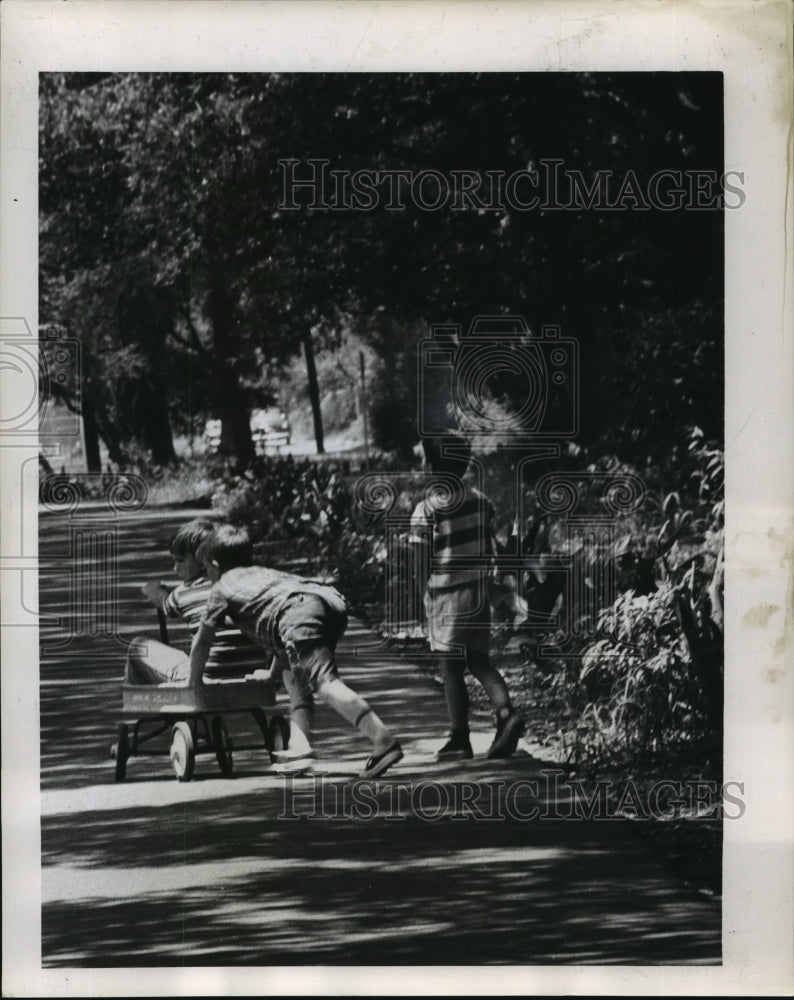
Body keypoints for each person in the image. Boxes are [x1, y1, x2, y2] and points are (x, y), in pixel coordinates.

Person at [188, 524, 404, 779]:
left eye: (207, 569)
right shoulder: (264, 574)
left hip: (299, 610)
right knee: (294, 675)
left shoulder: (221, 587)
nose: (208, 575)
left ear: (214, 565)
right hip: (329, 601)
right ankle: (300, 750)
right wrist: (271, 675)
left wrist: (193, 683)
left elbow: (203, 641)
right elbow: (283, 639)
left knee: (326, 683)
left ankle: (382, 740)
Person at [128, 518, 314, 759]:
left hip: (203, 678)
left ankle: (145, 719)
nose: (175, 569)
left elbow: (166, 605)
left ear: (204, 560)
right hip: (255, 676)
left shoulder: (185, 593)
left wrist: (152, 589)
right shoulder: (252, 589)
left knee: (137, 647)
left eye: (179, 561)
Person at [410, 432, 525, 760]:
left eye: (424, 460)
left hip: (447, 595)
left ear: (431, 468)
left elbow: (420, 559)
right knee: (480, 662)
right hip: (478, 594)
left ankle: (460, 737)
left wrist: (424, 596)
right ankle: (506, 714)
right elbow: (491, 544)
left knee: (451, 669)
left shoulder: (426, 509)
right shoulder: (480, 500)